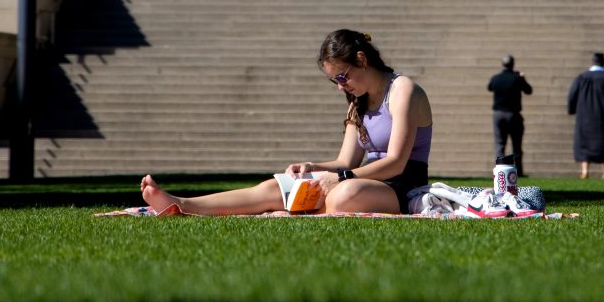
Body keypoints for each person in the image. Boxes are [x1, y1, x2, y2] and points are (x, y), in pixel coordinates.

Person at [139, 29, 434, 215]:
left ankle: (294, 210)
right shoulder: (357, 100)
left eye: (343, 77)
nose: (340, 87)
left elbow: (396, 163)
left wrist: (342, 178)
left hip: (400, 187)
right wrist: (313, 167)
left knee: (345, 194)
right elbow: (346, 160)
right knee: (275, 187)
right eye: (334, 80)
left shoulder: (403, 90)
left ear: (362, 59)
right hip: (361, 180)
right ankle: (182, 204)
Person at [567, 52, 604, 179]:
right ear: (603, 63)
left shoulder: (581, 77)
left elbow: (572, 95)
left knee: (584, 142)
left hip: (584, 116)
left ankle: (585, 171)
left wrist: (572, 109)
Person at [487, 54, 532, 175]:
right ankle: (519, 171)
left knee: (500, 144)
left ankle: (500, 170)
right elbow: (529, 90)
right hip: (513, 115)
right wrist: (522, 78)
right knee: (516, 144)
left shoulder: (496, 78)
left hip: (498, 115)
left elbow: (489, 87)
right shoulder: (517, 78)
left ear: (502, 64)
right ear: (513, 64)